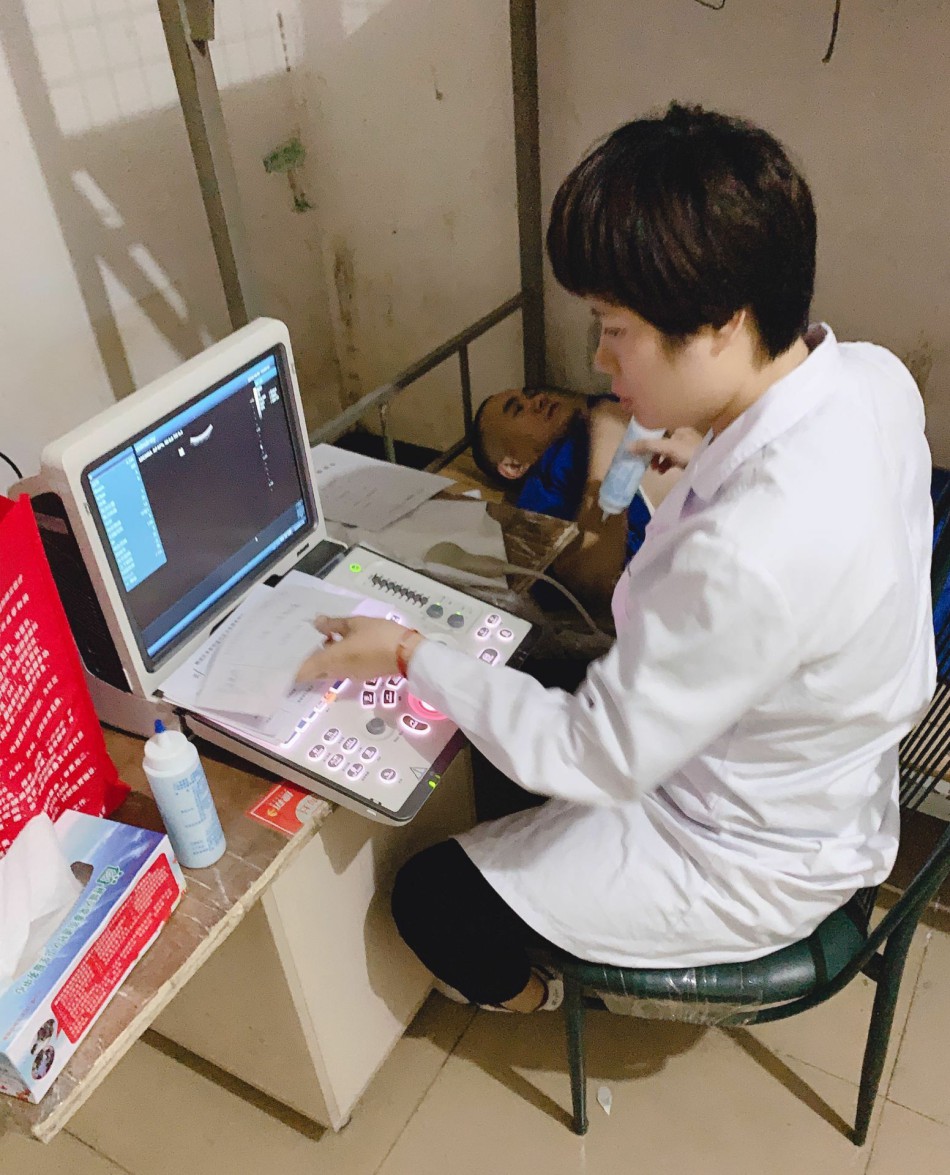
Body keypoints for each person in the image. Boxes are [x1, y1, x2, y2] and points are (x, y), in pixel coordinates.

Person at [296, 103, 936, 1015]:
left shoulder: (752, 547)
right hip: (816, 773)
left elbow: (596, 752)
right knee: (518, 681)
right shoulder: (874, 377)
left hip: (747, 848)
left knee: (432, 898)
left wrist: (407, 652)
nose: (598, 358)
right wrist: (690, 468)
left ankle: (549, 996)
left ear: (721, 321)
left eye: (615, 326)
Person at [470, 387, 689, 606]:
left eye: (530, 395)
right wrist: (606, 434)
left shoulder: (606, 405)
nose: (538, 399)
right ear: (513, 466)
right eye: (518, 409)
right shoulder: (541, 493)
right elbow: (569, 582)